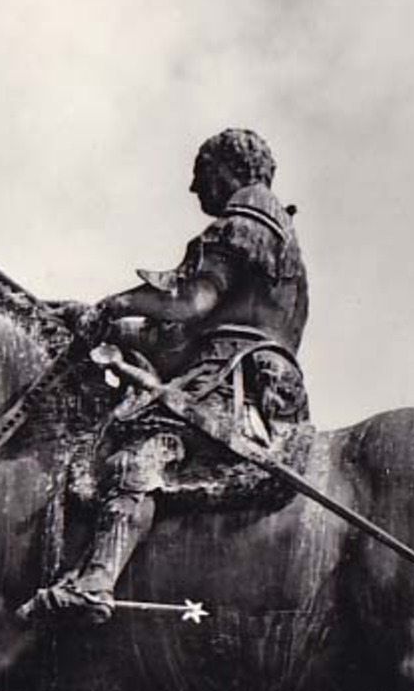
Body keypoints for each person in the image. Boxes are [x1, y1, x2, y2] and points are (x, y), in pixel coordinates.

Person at [33, 127, 309, 621]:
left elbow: (188, 301)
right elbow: (174, 336)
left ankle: (95, 580)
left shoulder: (247, 218)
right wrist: (103, 322)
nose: (194, 188)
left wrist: (112, 305)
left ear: (228, 169)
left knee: (142, 454)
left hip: (232, 377)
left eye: (201, 174)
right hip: (233, 367)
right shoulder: (269, 228)